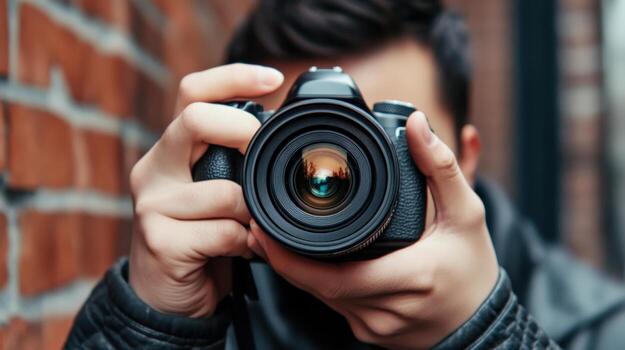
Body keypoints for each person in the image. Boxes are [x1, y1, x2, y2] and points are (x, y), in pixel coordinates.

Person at [65, 1, 625, 349]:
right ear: (238, 154)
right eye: (298, 138)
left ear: (465, 158)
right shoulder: (213, 303)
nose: (336, 178)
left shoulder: (598, 327)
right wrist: (153, 327)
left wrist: (484, 334)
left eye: (383, 142)